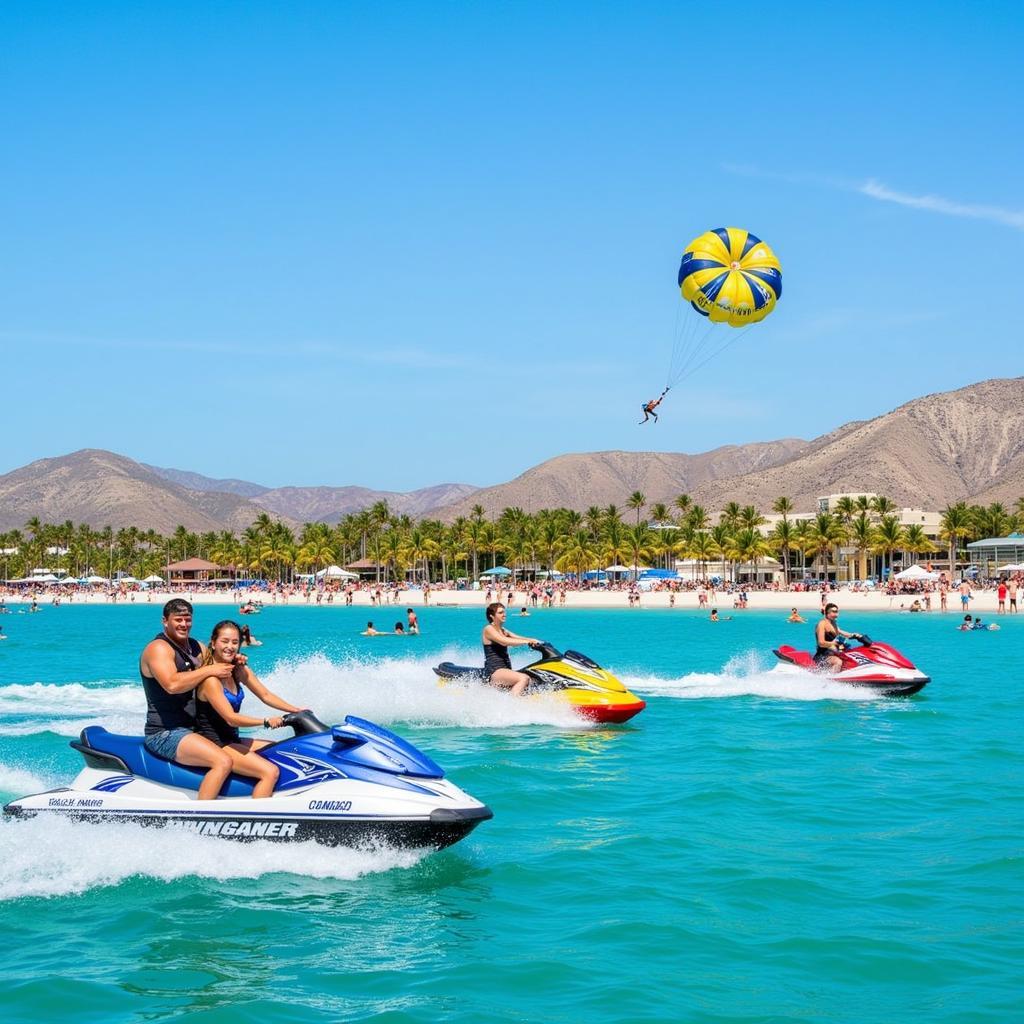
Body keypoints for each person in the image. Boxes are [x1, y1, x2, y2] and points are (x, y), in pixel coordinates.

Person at [138, 599, 237, 801]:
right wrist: (210, 669)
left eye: (188, 619)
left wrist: (236, 660)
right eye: (178, 620)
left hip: (196, 730)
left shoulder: (196, 647)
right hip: (165, 733)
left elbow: (218, 666)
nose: (184, 624)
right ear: (165, 621)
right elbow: (172, 684)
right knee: (223, 761)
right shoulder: (158, 649)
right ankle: (202, 820)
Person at [194, 620, 305, 798]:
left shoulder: (237, 670)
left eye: (235, 642)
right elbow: (231, 718)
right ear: (213, 643)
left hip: (231, 738)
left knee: (280, 751)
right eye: (225, 641)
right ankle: (259, 820)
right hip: (215, 743)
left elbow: (265, 695)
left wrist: (297, 710)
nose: (230, 647)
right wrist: (266, 721)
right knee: (270, 772)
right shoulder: (210, 681)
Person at [481, 602, 540, 697]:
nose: (504, 614)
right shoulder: (488, 629)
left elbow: (517, 638)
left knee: (533, 679)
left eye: (504, 612)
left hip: (505, 669)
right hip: (494, 671)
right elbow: (504, 641)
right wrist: (526, 642)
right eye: (500, 613)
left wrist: (534, 641)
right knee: (523, 678)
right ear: (492, 616)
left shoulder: (503, 630)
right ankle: (512, 705)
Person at [814, 603, 863, 672]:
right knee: (838, 662)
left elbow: (841, 632)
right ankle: (830, 680)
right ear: (827, 613)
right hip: (822, 656)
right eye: (833, 612)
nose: (836, 614)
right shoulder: (822, 624)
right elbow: (821, 643)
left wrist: (854, 635)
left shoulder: (833, 623)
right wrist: (833, 644)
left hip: (833, 653)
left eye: (837, 612)